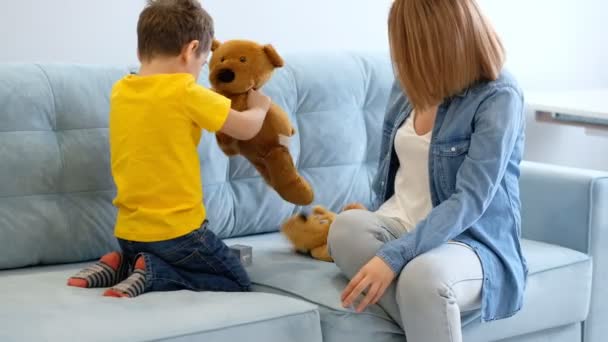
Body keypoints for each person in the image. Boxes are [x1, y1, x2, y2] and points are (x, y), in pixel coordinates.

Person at [327, 0, 528, 341]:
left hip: (468, 241)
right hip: (399, 224)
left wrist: (393, 258)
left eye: (405, 41)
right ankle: (429, 322)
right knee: (345, 229)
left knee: (422, 276)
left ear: (433, 41)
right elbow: (392, 180)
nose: (398, 53)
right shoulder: (408, 85)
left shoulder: (499, 95)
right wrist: (394, 252)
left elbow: (470, 200)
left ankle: (426, 311)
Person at [67, 0, 271, 298]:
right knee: (236, 280)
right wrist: (260, 108)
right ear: (190, 50)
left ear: (140, 51)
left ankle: (124, 264)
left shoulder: (121, 90)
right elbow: (246, 128)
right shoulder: (186, 92)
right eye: (202, 65)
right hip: (179, 234)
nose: (200, 72)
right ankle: (152, 273)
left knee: (150, 253)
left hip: (129, 232)